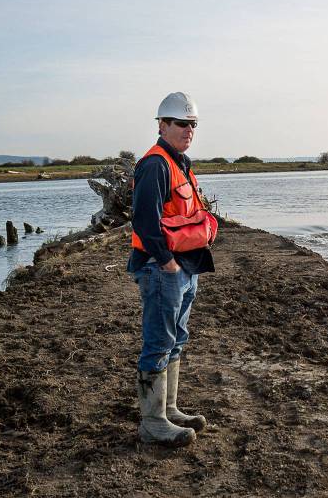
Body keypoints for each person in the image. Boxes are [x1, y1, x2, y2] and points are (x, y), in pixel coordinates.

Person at [128, 91, 215, 446]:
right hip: (161, 268)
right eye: (181, 123)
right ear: (162, 125)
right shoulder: (155, 165)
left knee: (177, 338)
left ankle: (169, 409)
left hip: (185, 267)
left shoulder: (182, 162)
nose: (188, 129)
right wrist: (166, 262)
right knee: (159, 341)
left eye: (192, 124)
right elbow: (145, 221)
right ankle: (152, 422)